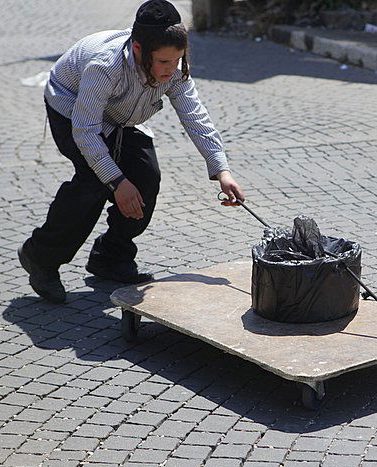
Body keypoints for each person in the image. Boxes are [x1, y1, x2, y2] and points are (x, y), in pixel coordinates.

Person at [18, 0, 244, 304]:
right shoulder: (105, 65)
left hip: (122, 117)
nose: (171, 70)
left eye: (177, 60)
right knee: (93, 182)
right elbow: (85, 131)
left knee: (146, 178)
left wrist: (222, 171)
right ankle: (40, 256)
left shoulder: (175, 69)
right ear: (138, 50)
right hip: (72, 109)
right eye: (163, 62)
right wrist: (116, 182)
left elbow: (195, 116)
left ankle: (110, 256)